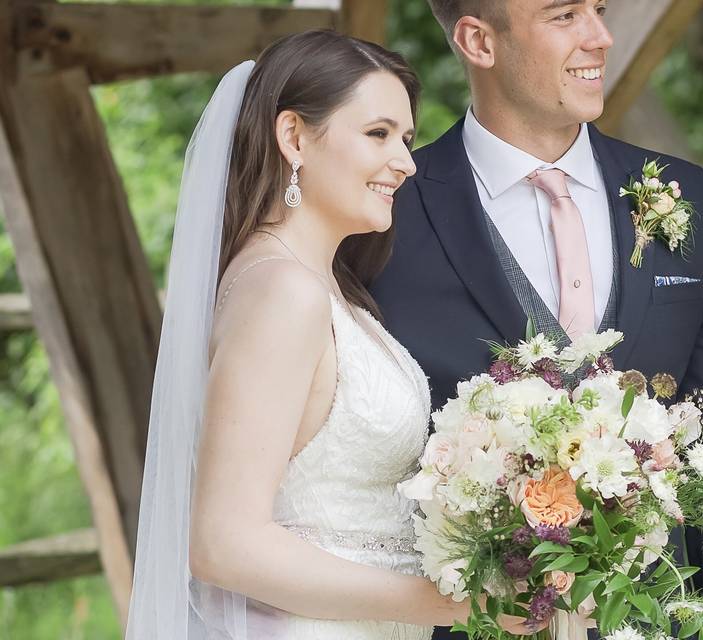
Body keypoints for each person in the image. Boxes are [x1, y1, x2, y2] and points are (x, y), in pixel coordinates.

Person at [370, 2, 703, 639]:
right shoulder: (390, 211)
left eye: (599, 9)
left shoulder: (680, 192)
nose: (601, 37)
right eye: (565, 15)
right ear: (479, 40)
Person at [125, 29, 545, 640]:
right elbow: (224, 543)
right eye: (378, 134)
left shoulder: (321, 287)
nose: (405, 161)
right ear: (294, 137)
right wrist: (451, 604)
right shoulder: (283, 294)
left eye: (406, 138)